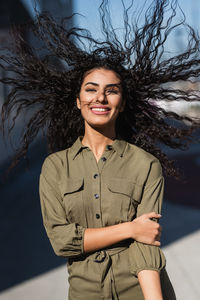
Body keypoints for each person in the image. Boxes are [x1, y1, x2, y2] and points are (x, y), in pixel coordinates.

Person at [1, 0, 200, 299]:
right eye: (91, 89)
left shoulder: (144, 164)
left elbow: (146, 247)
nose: (101, 98)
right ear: (77, 101)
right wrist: (130, 229)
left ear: (122, 103)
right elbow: (62, 241)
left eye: (112, 90)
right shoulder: (55, 167)